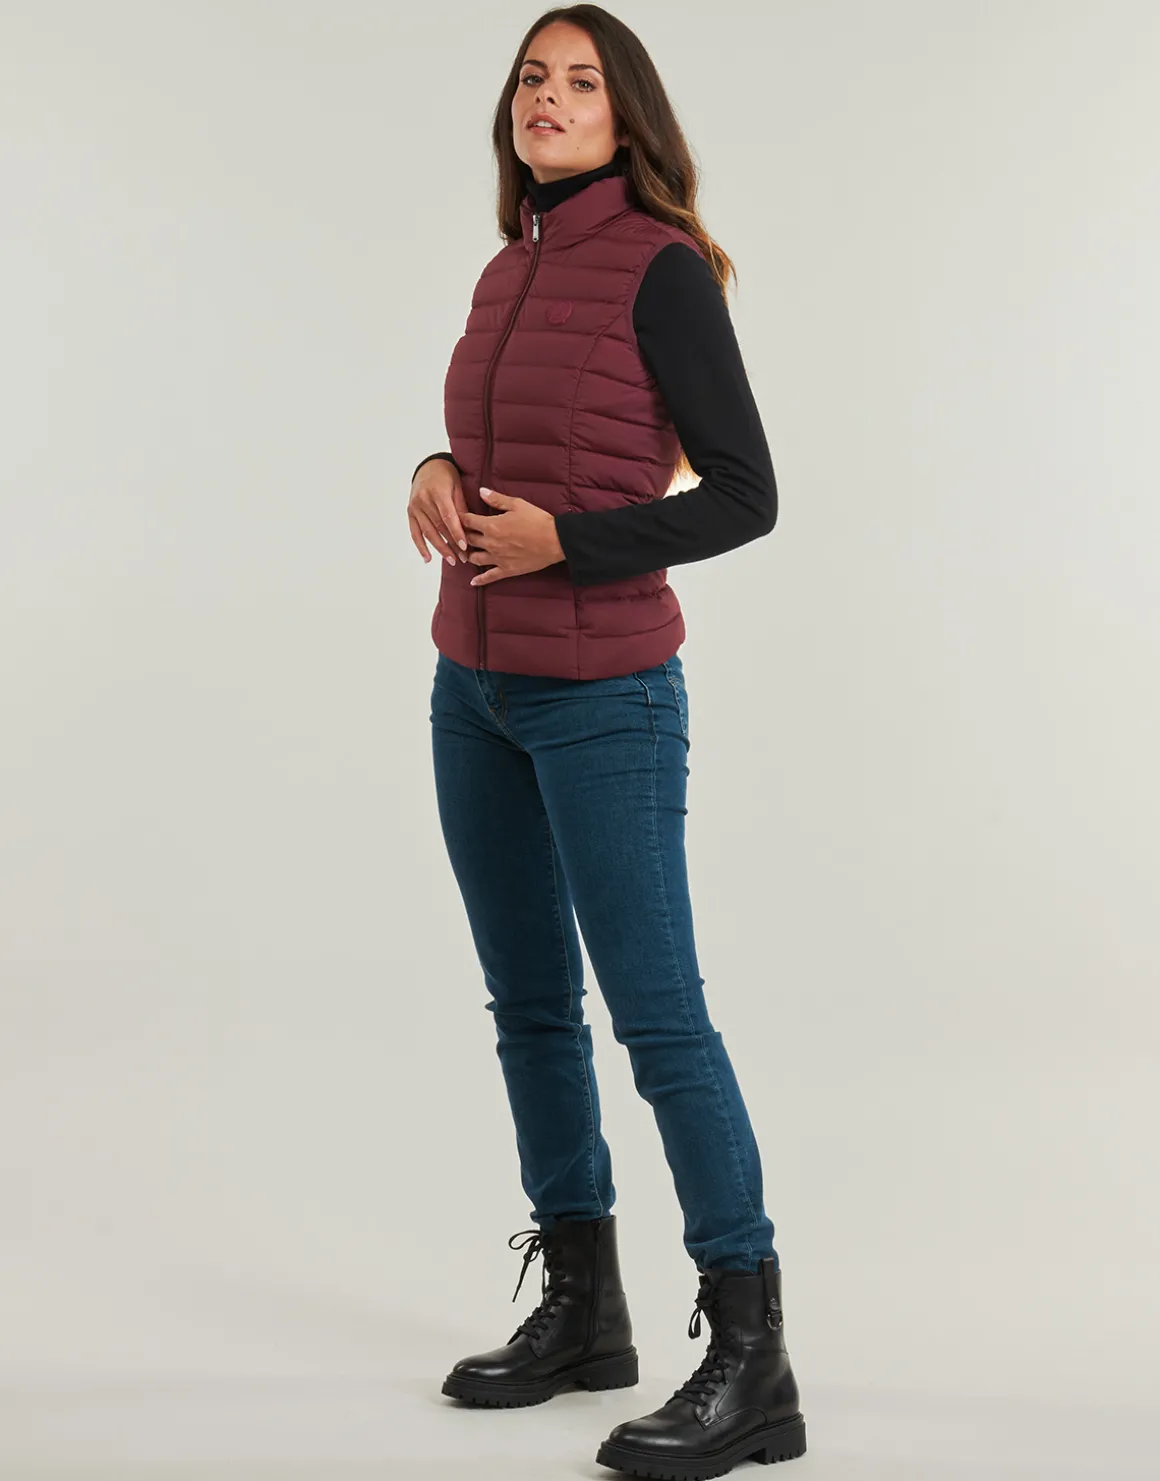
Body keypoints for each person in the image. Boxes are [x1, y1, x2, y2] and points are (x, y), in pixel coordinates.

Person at [408, 6, 807, 1474]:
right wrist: (434, 465)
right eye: (532, 77)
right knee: (528, 1008)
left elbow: (748, 494)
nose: (548, 98)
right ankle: (584, 1310)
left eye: (580, 81)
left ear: (624, 115)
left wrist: (568, 544)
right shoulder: (507, 263)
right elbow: (508, 445)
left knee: (659, 1020)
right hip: (474, 690)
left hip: (606, 700)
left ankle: (753, 1358)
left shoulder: (661, 266)